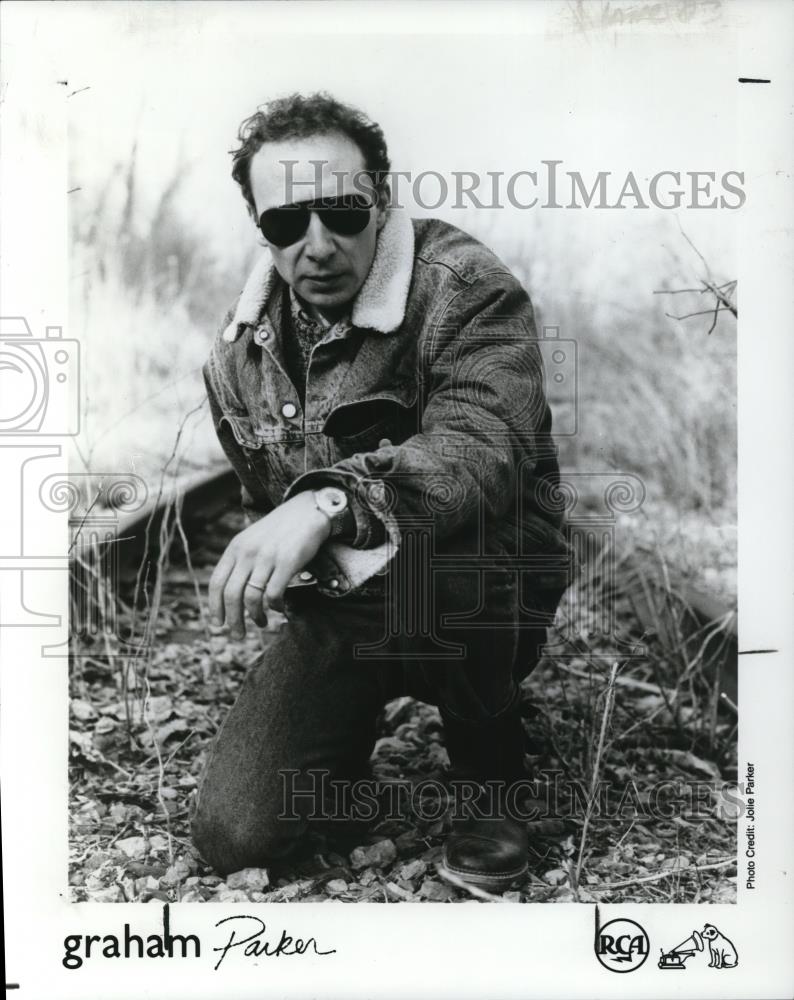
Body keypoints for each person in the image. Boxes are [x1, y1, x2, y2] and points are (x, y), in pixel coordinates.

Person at [191, 92, 572, 891]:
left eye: (342, 212)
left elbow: (483, 447)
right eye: (286, 225)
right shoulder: (237, 357)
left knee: (460, 551)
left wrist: (331, 499)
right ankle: (349, 720)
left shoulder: (465, 288)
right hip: (351, 605)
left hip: (480, 589)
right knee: (238, 835)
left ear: (384, 200)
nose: (318, 245)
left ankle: (490, 769)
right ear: (261, 229)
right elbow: (266, 503)